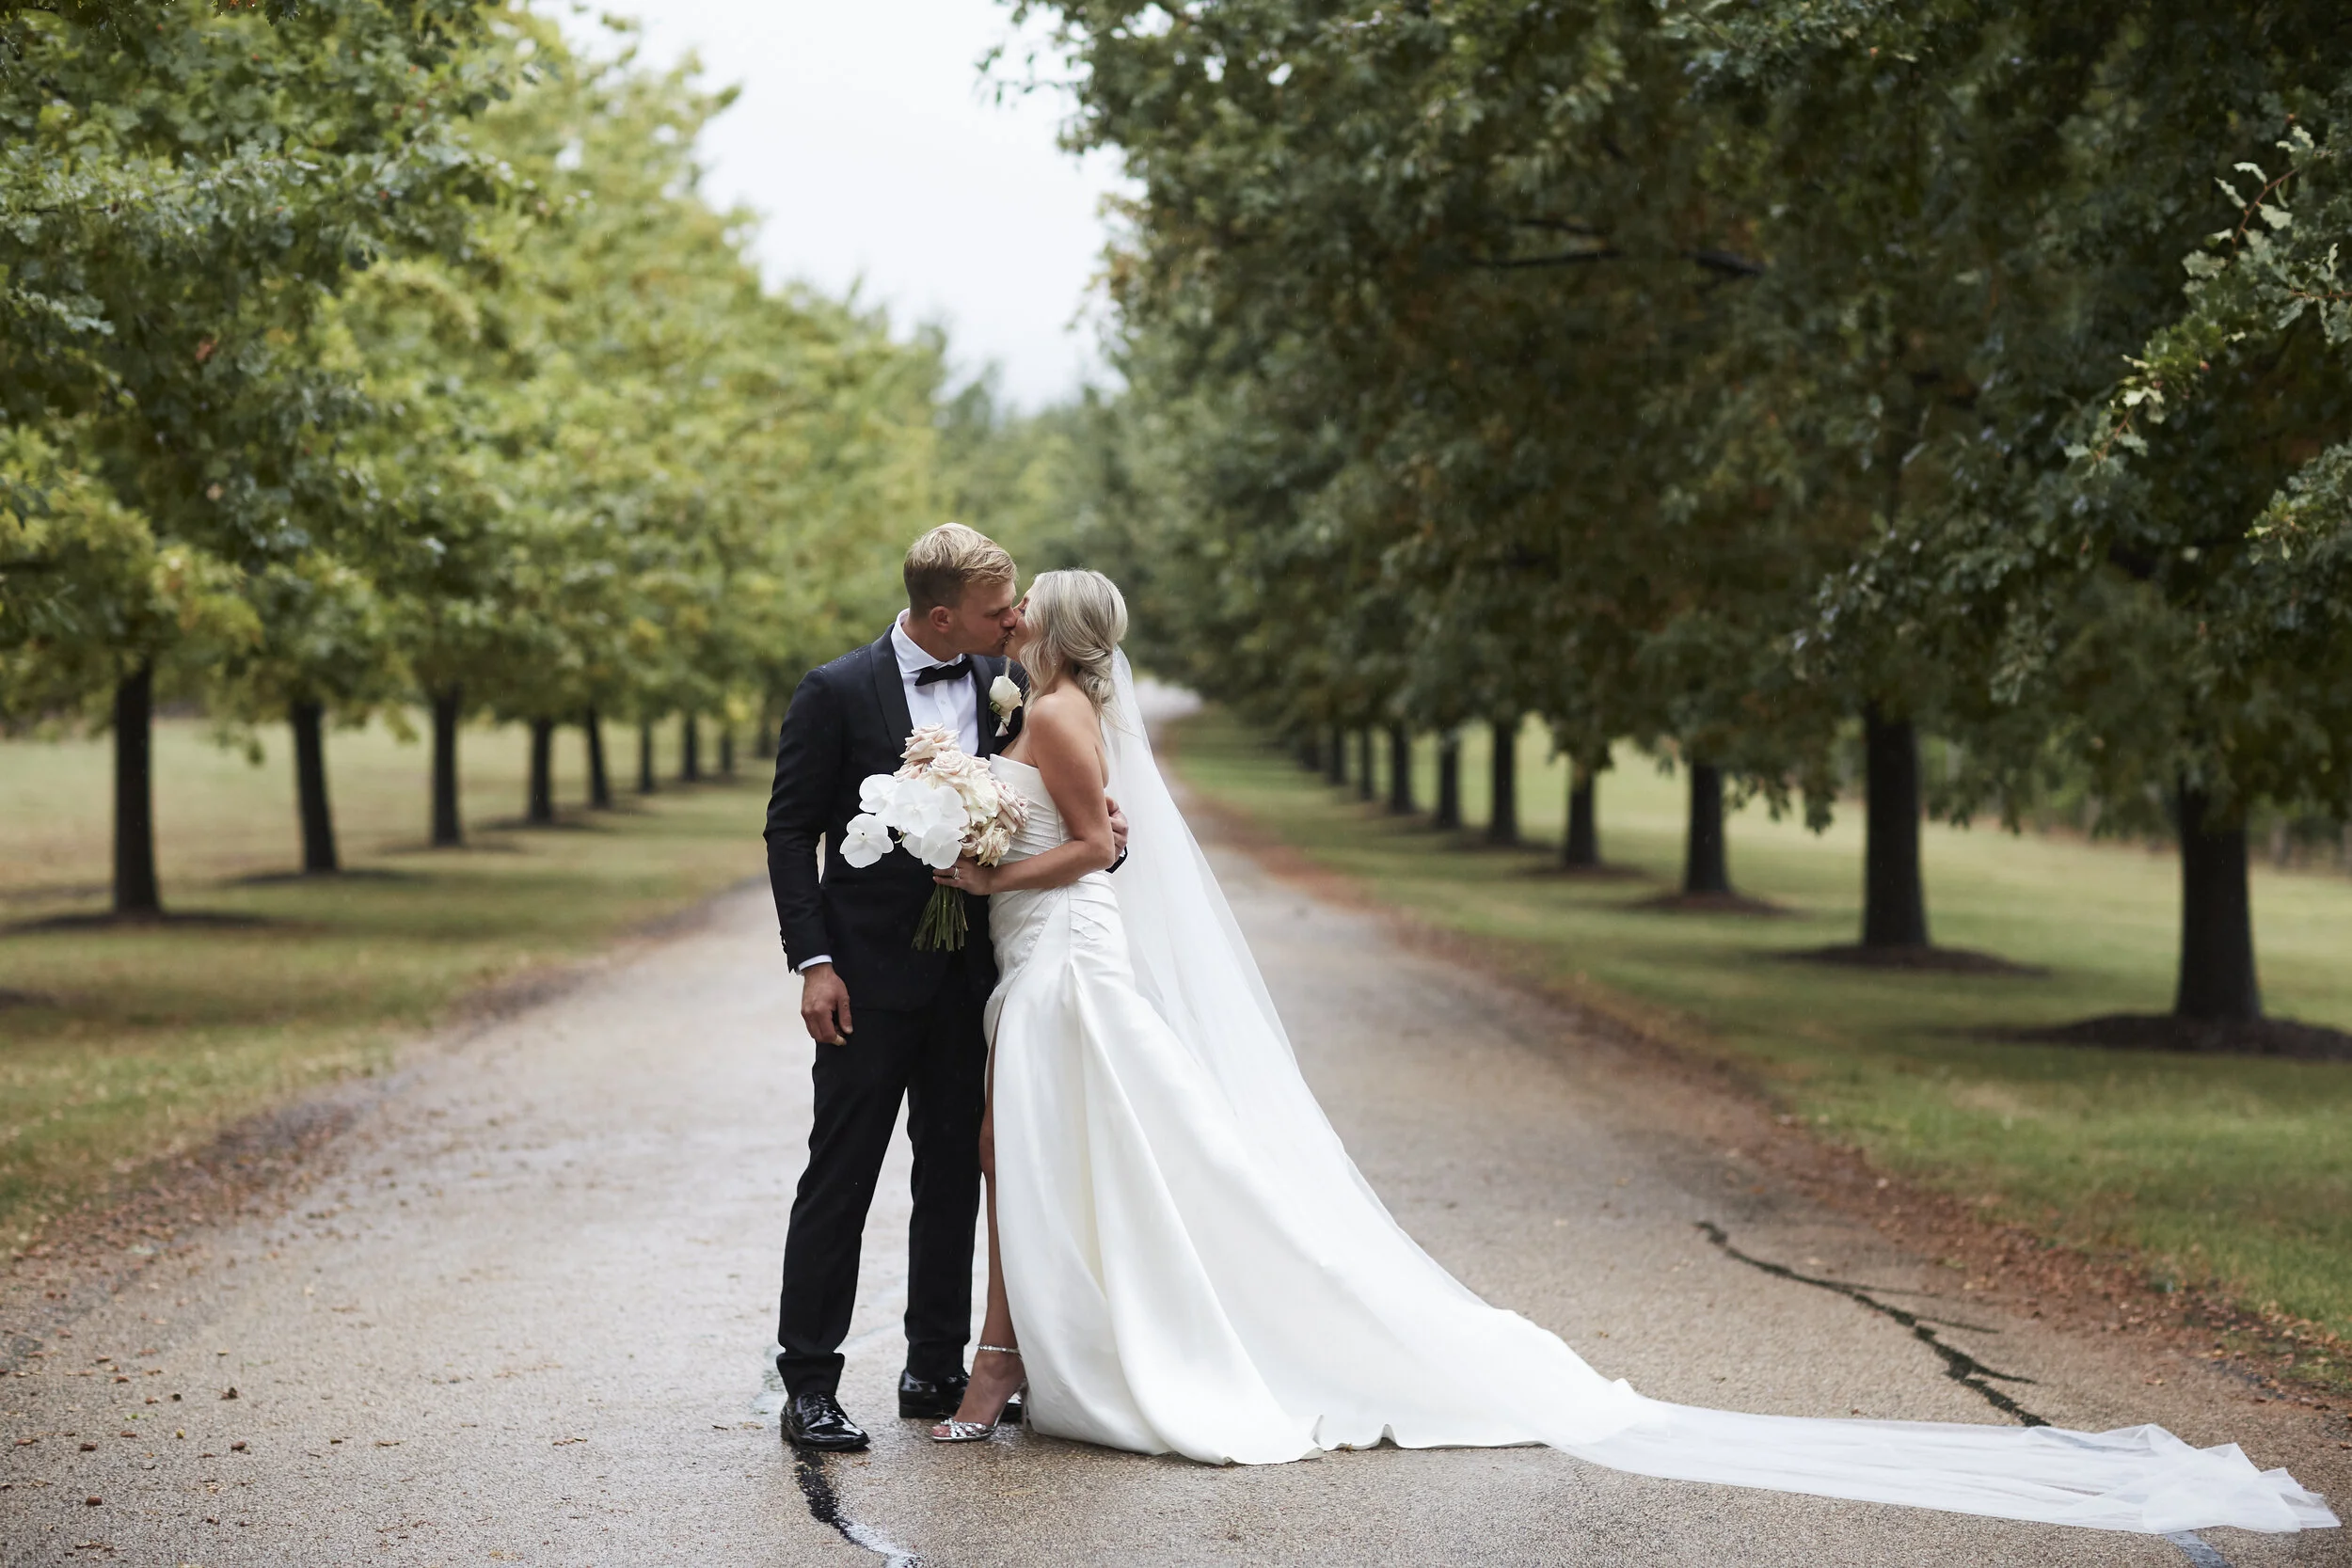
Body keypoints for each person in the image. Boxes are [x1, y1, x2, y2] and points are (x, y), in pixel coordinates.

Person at [921, 567, 2335, 1539]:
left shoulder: (1052, 712)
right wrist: (983, 829)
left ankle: (1095, 1351)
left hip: (1067, 968)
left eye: (1025, 608)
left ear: (1054, 631)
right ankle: (1053, 1348)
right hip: (1052, 969)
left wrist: (986, 875)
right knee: (1097, 1157)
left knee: (1137, 1155)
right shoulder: (1045, 709)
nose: (1014, 616)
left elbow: (1108, 843)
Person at [761, 525, 1124, 1452]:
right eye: (996, 608)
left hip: (975, 977)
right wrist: (815, 963)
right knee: (839, 1173)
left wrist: (1107, 828)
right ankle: (809, 1382)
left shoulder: (1004, 688)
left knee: (955, 1172)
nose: (1013, 619)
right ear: (940, 614)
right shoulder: (835, 690)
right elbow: (790, 830)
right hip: (865, 979)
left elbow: (1064, 816)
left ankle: (934, 1363)